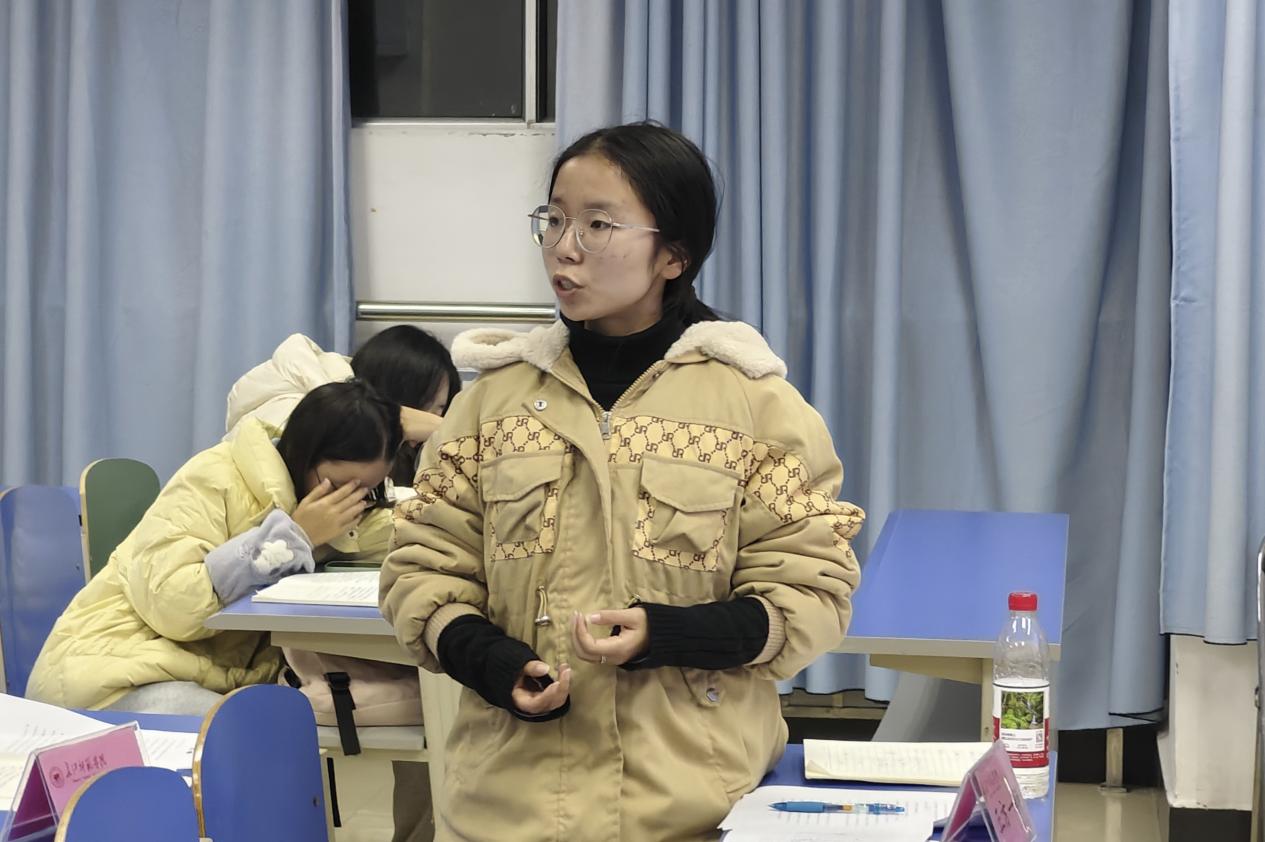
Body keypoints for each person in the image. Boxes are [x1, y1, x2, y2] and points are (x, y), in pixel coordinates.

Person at [380, 121, 865, 841]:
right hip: (509, 809)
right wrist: (489, 660)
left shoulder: (756, 407)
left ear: (673, 254)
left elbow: (812, 589)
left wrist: (670, 634)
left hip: (695, 807)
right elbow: (422, 571)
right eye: (554, 220)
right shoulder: (489, 407)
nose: (564, 247)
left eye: (598, 224)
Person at [28, 380, 402, 715]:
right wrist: (294, 537)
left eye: (366, 491)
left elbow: (391, 532)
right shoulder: (214, 477)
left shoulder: (323, 504)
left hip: (190, 673)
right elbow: (173, 604)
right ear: (305, 455)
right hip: (107, 676)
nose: (350, 503)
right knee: (253, 733)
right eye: (341, 487)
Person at [225, 325, 461, 485]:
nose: (429, 420)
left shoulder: (401, 453)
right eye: (423, 405)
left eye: (440, 409)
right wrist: (395, 421)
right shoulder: (289, 412)